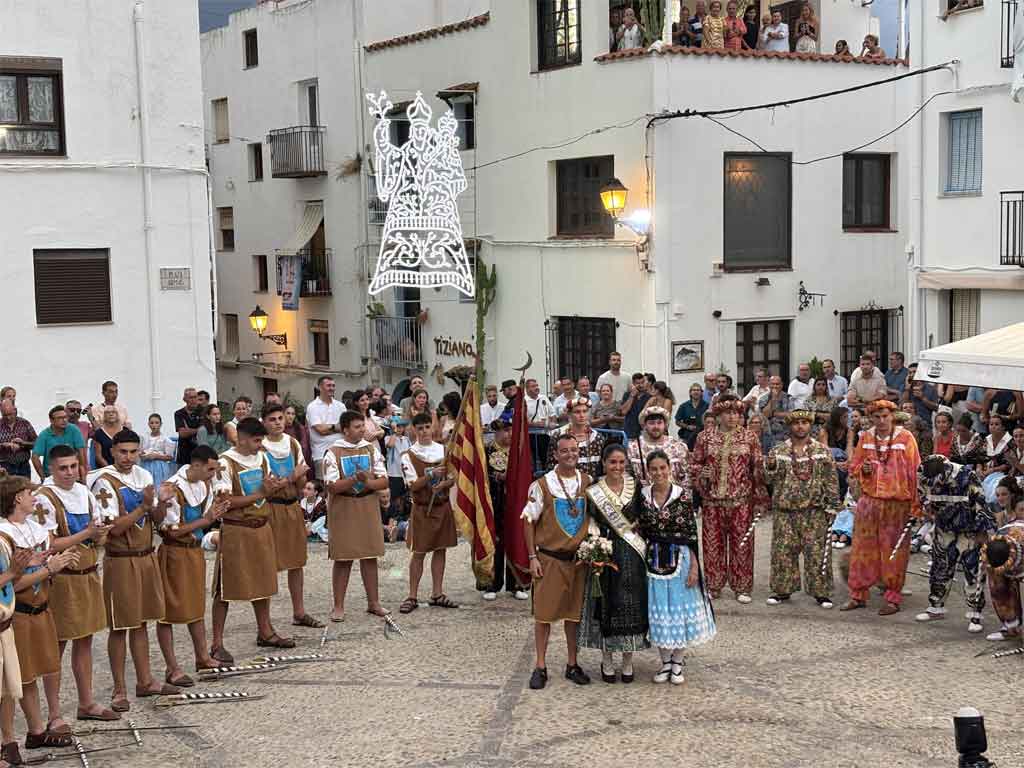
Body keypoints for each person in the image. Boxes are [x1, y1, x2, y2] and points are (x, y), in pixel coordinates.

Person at [89, 430, 178, 711]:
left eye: (133, 451)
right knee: (120, 625)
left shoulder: (144, 476)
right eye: (123, 451)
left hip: (145, 555)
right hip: (121, 558)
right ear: (113, 451)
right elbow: (112, 528)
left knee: (141, 622)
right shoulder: (105, 482)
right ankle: (119, 689)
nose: (128, 457)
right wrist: (142, 507)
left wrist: (160, 504)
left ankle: (145, 680)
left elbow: (157, 521)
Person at [33, 446, 116, 723]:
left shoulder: (84, 493)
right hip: (63, 580)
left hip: (89, 574)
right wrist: (87, 533)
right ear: (51, 470)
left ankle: (86, 702)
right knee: (57, 645)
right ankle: (55, 715)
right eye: (62, 468)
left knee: (85, 640)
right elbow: (49, 543)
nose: (69, 473)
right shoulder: (44, 498)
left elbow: (96, 536)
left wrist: (100, 535)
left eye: (73, 466)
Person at [0, 473, 78, 752]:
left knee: (45, 666)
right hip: (19, 612)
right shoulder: (3, 534)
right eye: (29, 493)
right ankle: (32, 729)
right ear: (17, 498)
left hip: (41, 608)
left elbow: (33, 568)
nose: (34, 497)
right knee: (23, 675)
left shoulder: (33, 527)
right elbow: (13, 582)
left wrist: (51, 562)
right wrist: (48, 569)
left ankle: (41, 726)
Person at [210, 416, 294, 663]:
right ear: (243, 439)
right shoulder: (225, 463)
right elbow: (224, 503)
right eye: (257, 440)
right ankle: (216, 643)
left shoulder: (262, 457)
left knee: (262, 581)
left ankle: (265, 631)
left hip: (261, 526)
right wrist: (260, 492)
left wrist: (275, 485)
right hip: (237, 529)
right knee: (224, 588)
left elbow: (267, 488)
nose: (260, 445)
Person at [637, 449, 715, 684]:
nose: (659, 472)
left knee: (679, 612)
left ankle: (678, 663)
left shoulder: (682, 496)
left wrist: (694, 568)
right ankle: (665, 663)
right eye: (654, 469)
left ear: (670, 469)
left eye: (663, 468)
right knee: (658, 609)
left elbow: (691, 534)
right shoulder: (642, 495)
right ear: (648, 472)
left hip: (679, 558)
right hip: (652, 559)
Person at [523, 434, 592, 690]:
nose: (570, 455)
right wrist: (532, 557)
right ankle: (540, 666)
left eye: (574, 450)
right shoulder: (541, 485)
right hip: (549, 558)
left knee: (573, 617)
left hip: (577, 561)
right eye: (565, 451)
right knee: (544, 616)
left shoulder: (587, 482)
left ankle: (572, 664)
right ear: (556, 455)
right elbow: (527, 521)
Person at [841, 400, 922, 615]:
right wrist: (863, 469)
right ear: (871, 419)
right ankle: (858, 594)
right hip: (869, 501)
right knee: (862, 549)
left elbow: (916, 473)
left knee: (894, 552)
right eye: (877, 417)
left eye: (885, 416)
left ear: (892, 415)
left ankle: (893, 596)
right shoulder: (866, 438)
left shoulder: (906, 438)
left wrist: (916, 505)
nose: (882, 420)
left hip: (897, 504)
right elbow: (854, 466)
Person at [155, 445, 225, 686]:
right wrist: (205, 520)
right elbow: (169, 531)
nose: (213, 474)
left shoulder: (205, 484)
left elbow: (203, 521)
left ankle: (202, 656)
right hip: (174, 553)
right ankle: (172, 668)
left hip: (193, 552)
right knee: (168, 612)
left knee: (196, 606)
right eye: (210, 468)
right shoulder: (173, 487)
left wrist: (209, 522)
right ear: (195, 465)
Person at [578, 444, 648, 684]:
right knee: (606, 604)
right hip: (606, 552)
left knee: (632, 604)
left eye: (621, 462)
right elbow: (589, 519)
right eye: (612, 462)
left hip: (631, 552)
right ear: (604, 464)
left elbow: (643, 516)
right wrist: (595, 542)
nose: (617, 467)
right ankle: (607, 659)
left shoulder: (636, 487)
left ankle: (628, 659)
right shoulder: (594, 490)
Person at [691, 395, 768, 604]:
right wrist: (702, 473)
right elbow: (695, 463)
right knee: (712, 545)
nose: (732, 417)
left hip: (741, 501)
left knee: (741, 544)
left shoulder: (750, 438)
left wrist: (760, 499)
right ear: (718, 415)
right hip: (712, 502)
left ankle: (741, 586)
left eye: (736, 413)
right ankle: (714, 585)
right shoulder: (704, 437)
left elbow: (757, 469)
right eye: (727, 413)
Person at [764, 411, 840, 609]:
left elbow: (831, 480)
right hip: (785, 511)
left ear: (810, 425)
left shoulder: (822, 451)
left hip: (814, 511)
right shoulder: (778, 451)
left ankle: (821, 592)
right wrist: (769, 467)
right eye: (796, 423)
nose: (800, 426)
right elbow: (769, 480)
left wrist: (832, 506)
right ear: (790, 426)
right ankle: (782, 590)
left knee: (816, 552)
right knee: (783, 553)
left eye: (804, 422)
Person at [914, 455, 994, 632]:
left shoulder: (966, 475)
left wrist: (983, 532)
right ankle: (936, 607)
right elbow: (923, 498)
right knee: (940, 566)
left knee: (972, 571)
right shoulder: (923, 473)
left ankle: (975, 615)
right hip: (944, 528)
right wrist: (927, 510)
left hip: (969, 530)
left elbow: (981, 503)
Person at [323, 411, 389, 621]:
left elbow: (383, 480)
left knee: (370, 555)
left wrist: (368, 482)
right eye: (357, 426)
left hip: (368, 504)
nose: (362, 429)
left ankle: (374, 602)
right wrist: (354, 479)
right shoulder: (333, 452)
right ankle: (339, 606)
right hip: (344, 506)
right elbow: (332, 486)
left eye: (363, 425)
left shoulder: (370, 449)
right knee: (343, 557)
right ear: (345, 429)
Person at [261, 405, 320, 629]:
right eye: (272, 419)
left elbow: (302, 479)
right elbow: (266, 485)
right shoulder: (261, 448)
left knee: (297, 562)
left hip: (292, 506)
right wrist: (290, 477)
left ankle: (299, 611)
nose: (277, 422)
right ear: (264, 422)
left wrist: (296, 479)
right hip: (271, 507)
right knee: (269, 565)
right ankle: (265, 623)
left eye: (280, 418)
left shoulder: (292, 443)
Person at [400, 413, 458, 614]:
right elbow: (413, 485)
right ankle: (412, 595)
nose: (424, 431)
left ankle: (437, 593)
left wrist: (445, 482)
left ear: (432, 428)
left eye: (427, 427)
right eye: (420, 428)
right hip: (423, 508)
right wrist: (431, 475)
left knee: (440, 549)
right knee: (419, 552)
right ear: (414, 430)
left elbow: (453, 478)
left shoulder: (443, 450)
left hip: (442, 506)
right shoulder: (408, 455)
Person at [481, 420, 530, 601]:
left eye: (511, 430)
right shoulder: (486, 450)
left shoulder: (519, 451)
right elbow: (481, 475)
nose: (508, 434)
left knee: (515, 539)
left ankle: (515, 584)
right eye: (505, 431)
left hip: (515, 502)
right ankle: (492, 583)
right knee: (495, 542)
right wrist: (497, 478)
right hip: (494, 501)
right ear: (496, 432)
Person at [983, 482, 1024, 641]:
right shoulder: (1004, 526)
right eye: (1022, 510)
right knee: (995, 574)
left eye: (1004, 494)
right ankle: (1010, 624)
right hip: (1012, 558)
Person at [628, 408, 688, 488]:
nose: (656, 427)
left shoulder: (679, 447)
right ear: (644, 425)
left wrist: (684, 498)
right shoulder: (633, 448)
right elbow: (627, 476)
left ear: (665, 425)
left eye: (659, 423)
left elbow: (687, 477)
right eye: (651, 423)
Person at [547, 398, 606, 478]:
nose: (582, 415)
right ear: (569, 414)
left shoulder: (598, 438)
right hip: (566, 484)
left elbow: (603, 466)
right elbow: (551, 465)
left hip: (592, 485)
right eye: (577, 412)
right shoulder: (558, 436)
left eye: (585, 411)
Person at [32, 406, 87, 483]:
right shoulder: (44, 434)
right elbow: (34, 457)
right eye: (60, 418)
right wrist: (43, 477)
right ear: (51, 420)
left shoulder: (74, 429)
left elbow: (81, 455)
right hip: (52, 476)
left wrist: (83, 477)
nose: (64, 420)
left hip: (72, 474)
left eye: (65, 417)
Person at [306, 378, 346, 479]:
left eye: (333, 385)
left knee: (342, 484)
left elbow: (346, 427)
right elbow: (321, 430)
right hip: (322, 453)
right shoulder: (313, 407)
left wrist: (329, 427)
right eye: (328, 385)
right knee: (325, 487)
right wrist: (336, 426)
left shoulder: (340, 406)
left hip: (341, 450)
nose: (332, 388)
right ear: (320, 387)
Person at [384, 418, 411, 541]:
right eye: (397, 426)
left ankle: (404, 525)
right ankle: (392, 526)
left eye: (401, 426)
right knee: (394, 500)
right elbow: (390, 445)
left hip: (404, 474)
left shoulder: (407, 440)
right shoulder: (388, 438)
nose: (400, 429)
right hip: (393, 473)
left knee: (405, 499)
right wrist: (393, 432)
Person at [0, 401, 35, 478]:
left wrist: (23, 443)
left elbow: (36, 443)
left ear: (15, 410)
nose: (8, 418)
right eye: (5, 415)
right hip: (5, 467)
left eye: (10, 414)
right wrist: (4, 445)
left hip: (24, 466)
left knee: (26, 489)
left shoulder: (24, 423)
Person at [758, 375, 793, 451]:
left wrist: (773, 413)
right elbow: (764, 415)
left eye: (777, 384)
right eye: (772, 384)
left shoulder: (789, 398)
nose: (775, 386)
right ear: (769, 385)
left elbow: (790, 415)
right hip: (768, 435)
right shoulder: (763, 398)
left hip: (785, 435)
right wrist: (772, 399)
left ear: (781, 385)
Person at [140, 414, 175, 487]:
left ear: (161, 424)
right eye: (152, 423)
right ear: (148, 424)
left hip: (160, 467)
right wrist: (143, 455)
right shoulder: (143, 437)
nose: (154, 425)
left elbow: (170, 457)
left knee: (159, 486)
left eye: (156, 423)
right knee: (147, 485)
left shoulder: (166, 439)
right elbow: (139, 452)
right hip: (146, 465)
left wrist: (156, 456)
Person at [173, 388, 201, 466]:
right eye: (191, 397)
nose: (193, 400)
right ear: (185, 399)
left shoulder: (203, 412)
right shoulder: (179, 413)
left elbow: (207, 430)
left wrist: (189, 430)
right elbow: (182, 433)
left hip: (200, 454)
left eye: (195, 397)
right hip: (184, 455)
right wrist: (199, 430)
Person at [619, 373, 651, 441]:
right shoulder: (627, 395)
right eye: (638, 383)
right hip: (629, 432)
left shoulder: (649, 397)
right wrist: (632, 396)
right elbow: (623, 412)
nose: (641, 385)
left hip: (645, 433)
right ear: (633, 383)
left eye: (643, 382)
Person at [675, 383, 708, 450]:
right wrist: (687, 426)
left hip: (702, 436)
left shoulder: (707, 405)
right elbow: (677, 421)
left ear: (701, 393)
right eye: (694, 390)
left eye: (698, 390)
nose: (696, 392)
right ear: (690, 393)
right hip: (686, 436)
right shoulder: (684, 406)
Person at [282, 405, 313, 477]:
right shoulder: (279, 429)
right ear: (283, 414)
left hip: (298, 462)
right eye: (288, 413)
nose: (290, 416)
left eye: (293, 414)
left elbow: (304, 448)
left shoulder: (300, 428)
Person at [91, 405, 122, 470]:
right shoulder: (99, 433)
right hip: (105, 468)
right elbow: (98, 456)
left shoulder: (125, 431)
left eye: (113, 412)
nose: (111, 414)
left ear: (117, 415)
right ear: (104, 416)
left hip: (123, 467)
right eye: (108, 412)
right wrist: (111, 469)